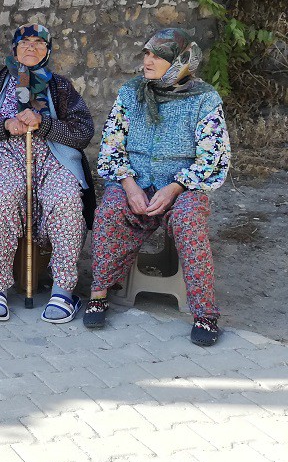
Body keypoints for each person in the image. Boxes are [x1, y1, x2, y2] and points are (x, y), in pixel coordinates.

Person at [84, 28, 230, 346]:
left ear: (178, 62)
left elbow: (212, 155)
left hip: (183, 186)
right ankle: (98, 294)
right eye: (146, 54)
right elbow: (111, 145)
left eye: (157, 55)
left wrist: (176, 187)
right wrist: (130, 185)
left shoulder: (203, 99)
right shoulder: (130, 92)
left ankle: (205, 314)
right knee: (109, 209)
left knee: (190, 221)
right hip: (133, 180)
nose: (147, 60)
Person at [0, 24, 96, 323]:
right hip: (3, 156)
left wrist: (43, 124)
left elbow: (83, 132)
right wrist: (4, 126)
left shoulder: (60, 86)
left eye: (38, 43)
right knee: (1, 197)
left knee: (67, 200)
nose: (31, 47)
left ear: (48, 50)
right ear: (14, 47)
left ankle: (63, 290)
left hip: (52, 160)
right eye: (24, 42)